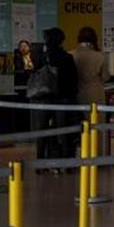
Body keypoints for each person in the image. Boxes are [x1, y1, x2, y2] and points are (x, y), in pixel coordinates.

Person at [29, 27, 78, 167]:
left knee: (42, 130)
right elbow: (73, 80)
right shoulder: (67, 58)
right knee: (63, 131)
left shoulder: (41, 57)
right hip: (61, 99)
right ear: (61, 40)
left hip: (43, 98)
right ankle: (64, 163)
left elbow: (35, 75)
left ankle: (40, 162)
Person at [71, 27, 106, 106]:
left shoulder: (71, 55)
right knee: (96, 116)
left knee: (79, 117)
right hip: (95, 93)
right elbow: (105, 77)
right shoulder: (100, 56)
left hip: (76, 94)